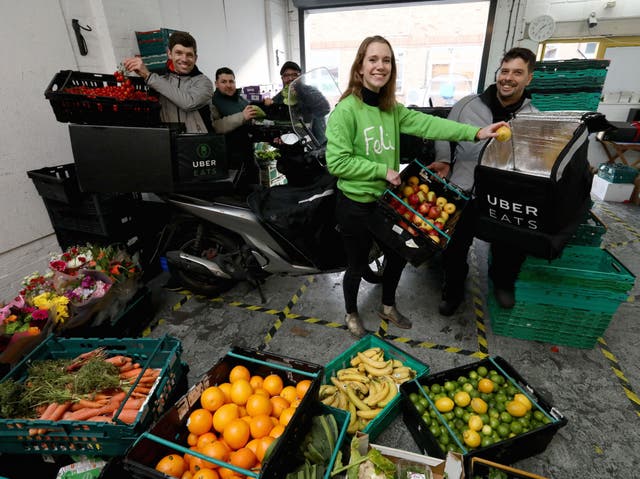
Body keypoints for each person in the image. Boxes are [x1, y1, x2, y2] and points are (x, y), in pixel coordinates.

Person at [325, 35, 507, 338]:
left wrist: (477, 132)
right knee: (355, 265)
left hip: (386, 203)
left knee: (398, 253)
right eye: (373, 59)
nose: (380, 66)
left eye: (386, 60)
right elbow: (337, 163)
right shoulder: (345, 111)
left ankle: (387, 305)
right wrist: (382, 170)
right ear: (360, 67)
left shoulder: (390, 108)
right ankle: (351, 312)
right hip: (354, 205)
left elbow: (430, 124)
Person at [429, 47, 538, 316]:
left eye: (517, 72)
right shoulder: (467, 105)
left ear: (529, 78)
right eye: (505, 71)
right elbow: (443, 133)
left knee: (510, 246)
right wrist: (444, 159)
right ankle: (453, 289)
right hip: (463, 189)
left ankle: (503, 283)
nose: (508, 78)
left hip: (503, 195)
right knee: (453, 248)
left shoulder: (532, 118)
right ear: (498, 73)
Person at [123, 31, 213, 133]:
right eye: (179, 53)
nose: (184, 59)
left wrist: (149, 76)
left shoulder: (204, 82)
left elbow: (189, 103)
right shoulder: (160, 80)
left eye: (189, 55)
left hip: (196, 142)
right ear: (170, 54)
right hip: (167, 140)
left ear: (195, 58)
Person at [210, 67, 263, 187]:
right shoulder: (212, 102)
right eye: (224, 82)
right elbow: (216, 127)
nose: (228, 85)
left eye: (231, 81)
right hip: (230, 162)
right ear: (216, 84)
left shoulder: (240, 99)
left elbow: (251, 121)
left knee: (255, 189)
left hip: (248, 156)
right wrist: (242, 116)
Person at [273, 61, 331, 144]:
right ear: (282, 78)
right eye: (286, 75)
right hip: (292, 146)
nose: (290, 78)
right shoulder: (278, 98)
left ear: (300, 76)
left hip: (317, 142)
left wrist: (301, 93)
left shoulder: (311, 91)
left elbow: (324, 109)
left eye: (294, 74)